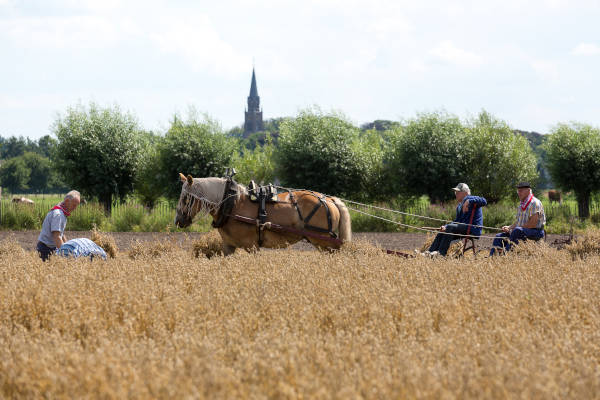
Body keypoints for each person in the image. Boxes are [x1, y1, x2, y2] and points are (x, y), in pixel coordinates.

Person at [424, 183, 487, 257]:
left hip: (473, 228)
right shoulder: (459, 206)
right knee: (443, 231)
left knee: (450, 227)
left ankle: (441, 253)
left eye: (458, 192)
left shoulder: (471, 199)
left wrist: (469, 201)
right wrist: (446, 226)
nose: (456, 194)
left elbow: (484, 201)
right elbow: (457, 221)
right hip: (463, 228)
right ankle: (430, 252)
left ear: (465, 193)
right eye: (455, 192)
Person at [490, 182, 546, 256]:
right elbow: (518, 222)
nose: (518, 193)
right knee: (499, 236)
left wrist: (515, 229)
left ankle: (505, 256)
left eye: (521, 191)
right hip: (522, 231)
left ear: (528, 191)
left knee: (517, 231)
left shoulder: (535, 203)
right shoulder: (521, 204)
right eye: (518, 191)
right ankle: (492, 258)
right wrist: (509, 227)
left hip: (536, 232)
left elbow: (532, 224)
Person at [36, 190, 81, 261]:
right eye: (74, 205)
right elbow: (56, 236)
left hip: (49, 248)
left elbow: (61, 233)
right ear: (66, 201)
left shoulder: (62, 212)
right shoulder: (58, 214)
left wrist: (67, 246)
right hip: (46, 250)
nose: (75, 208)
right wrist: (66, 255)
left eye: (76, 206)